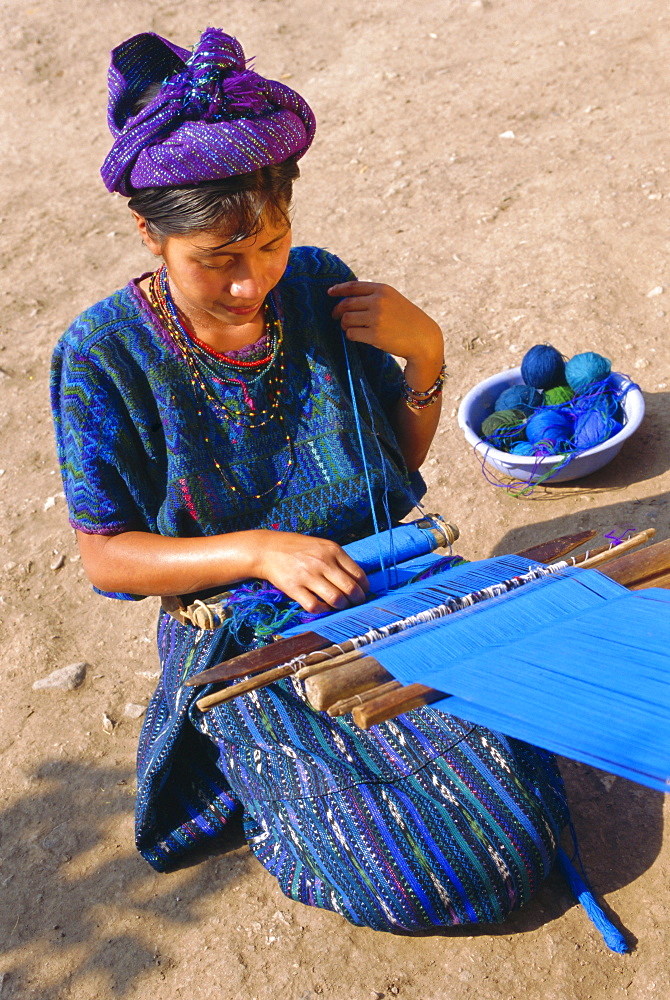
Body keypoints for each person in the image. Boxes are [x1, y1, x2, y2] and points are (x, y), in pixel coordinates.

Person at [51, 28, 567, 932]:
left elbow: (391, 470)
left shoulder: (320, 288)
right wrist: (259, 552)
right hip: (253, 636)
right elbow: (106, 558)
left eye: (273, 242)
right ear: (149, 233)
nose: (252, 282)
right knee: (433, 867)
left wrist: (426, 354)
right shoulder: (104, 359)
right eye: (216, 258)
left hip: (391, 580)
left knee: (520, 806)